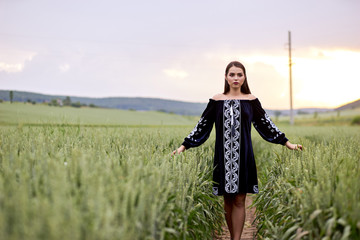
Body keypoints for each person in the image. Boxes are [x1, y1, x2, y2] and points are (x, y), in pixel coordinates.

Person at [171, 61, 302, 240]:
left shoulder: (251, 101)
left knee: (240, 199)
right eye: (232, 74)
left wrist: (288, 143)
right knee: (227, 200)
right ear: (226, 77)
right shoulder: (216, 101)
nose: (236, 78)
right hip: (222, 157)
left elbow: (267, 125)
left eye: (239, 74)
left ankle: (236, 239)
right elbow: (202, 126)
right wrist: (183, 146)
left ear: (244, 77)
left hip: (244, 157)